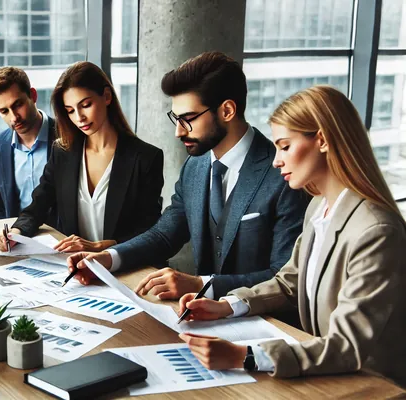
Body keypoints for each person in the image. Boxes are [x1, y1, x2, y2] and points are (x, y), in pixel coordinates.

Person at [175, 85, 406, 387]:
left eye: (284, 146)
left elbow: (348, 345)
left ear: (322, 140)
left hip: (372, 386)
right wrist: (227, 305)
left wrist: (246, 356)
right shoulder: (318, 208)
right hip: (325, 373)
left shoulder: (376, 231)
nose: (276, 160)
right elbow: (289, 282)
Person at [67, 52, 309, 300]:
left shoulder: (285, 174)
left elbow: (283, 277)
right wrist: (109, 258)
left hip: (265, 324)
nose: (178, 132)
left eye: (189, 119)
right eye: (176, 118)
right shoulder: (195, 166)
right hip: (199, 318)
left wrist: (200, 284)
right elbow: (164, 235)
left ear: (227, 110)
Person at [0, 61, 164, 254]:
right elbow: (38, 205)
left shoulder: (146, 158)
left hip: (126, 268)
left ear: (107, 96)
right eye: (70, 111)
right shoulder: (62, 152)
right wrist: (15, 232)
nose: (79, 117)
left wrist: (103, 247)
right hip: (74, 267)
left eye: (85, 105)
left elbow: (150, 230)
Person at [0, 67, 57, 223]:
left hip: (63, 239)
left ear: (33, 95)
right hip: (17, 238)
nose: (14, 117)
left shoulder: (67, 135)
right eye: (4, 111)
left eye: (18, 105)